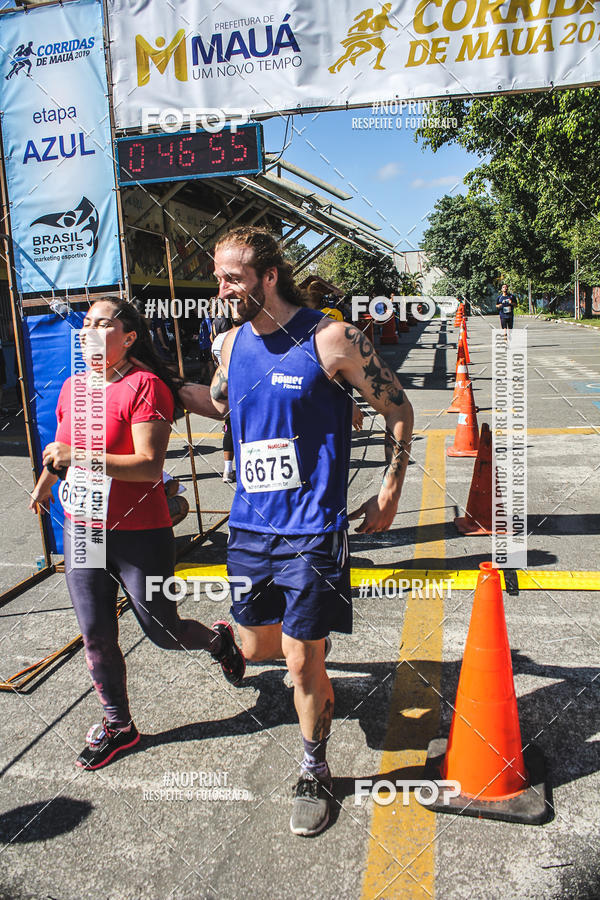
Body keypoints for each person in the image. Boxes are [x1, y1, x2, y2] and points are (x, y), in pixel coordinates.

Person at [180, 227, 413, 837]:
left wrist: (390, 487)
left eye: (231, 278)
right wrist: (164, 384)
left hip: (313, 531)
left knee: (302, 659)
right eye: (218, 277)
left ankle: (313, 770)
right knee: (260, 650)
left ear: (268, 277)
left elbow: (397, 407)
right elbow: (227, 405)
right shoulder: (229, 342)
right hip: (250, 525)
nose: (221, 288)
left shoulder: (331, 338)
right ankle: (246, 638)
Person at [29, 298, 244, 770]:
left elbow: (148, 466)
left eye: (104, 324)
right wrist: (48, 479)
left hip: (140, 532)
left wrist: (76, 460)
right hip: (84, 531)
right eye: (86, 324)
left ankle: (219, 641)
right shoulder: (74, 387)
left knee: (163, 631)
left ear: (128, 337)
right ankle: (119, 725)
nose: (90, 330)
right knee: (96, 635)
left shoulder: (146, 387)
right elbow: (65, 445)